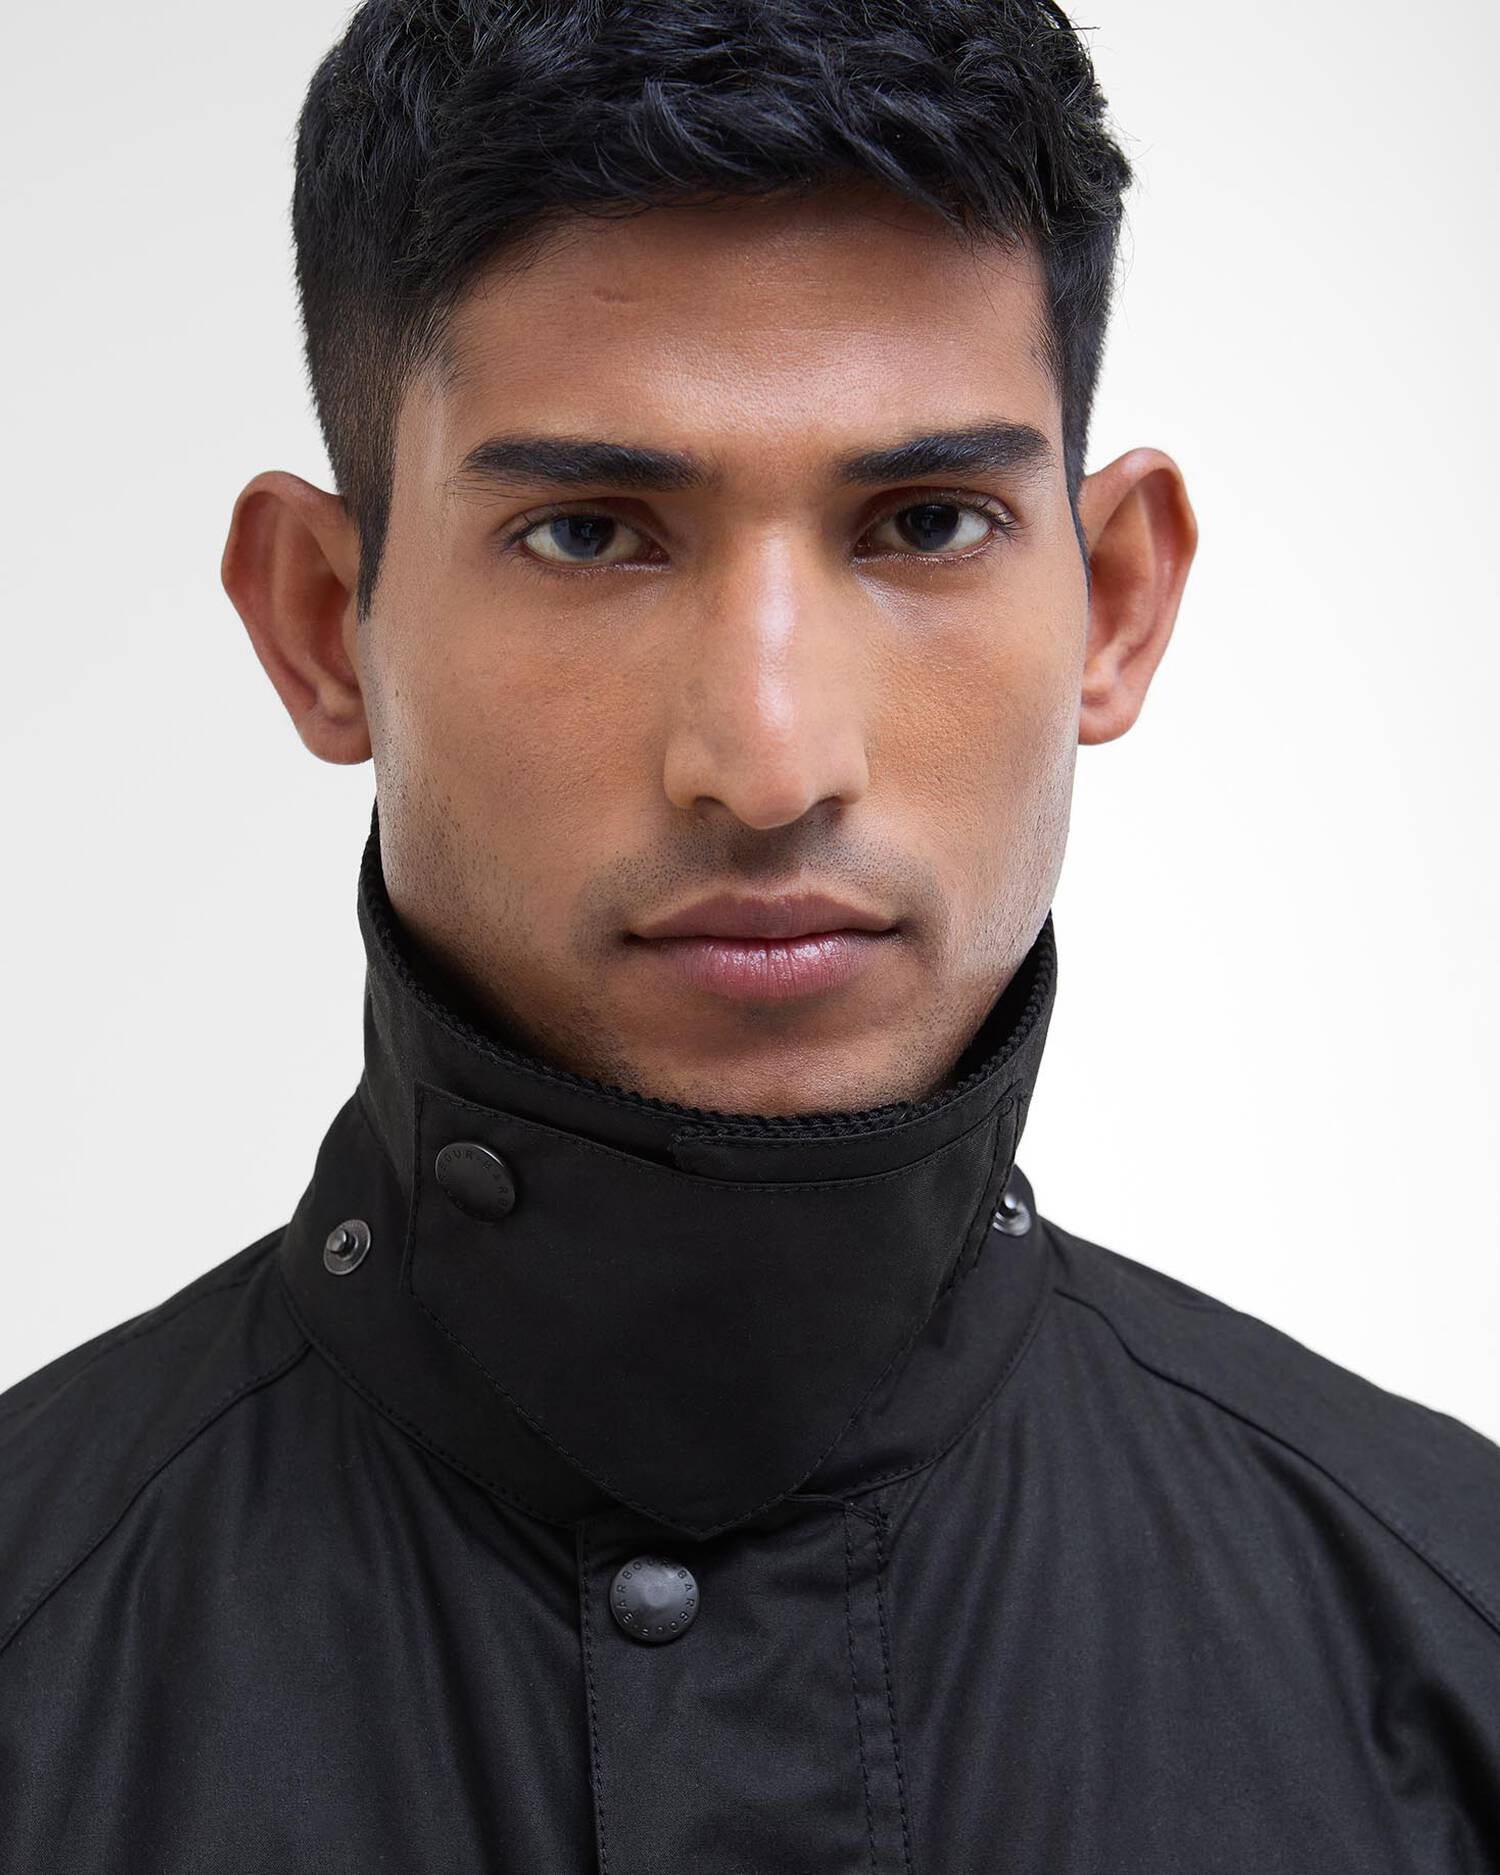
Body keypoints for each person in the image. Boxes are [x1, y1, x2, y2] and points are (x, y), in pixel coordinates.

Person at [2, 0, 1496, 1866]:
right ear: (323, 625)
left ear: (1114, 604)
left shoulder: (1458, 1658)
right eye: (588, 534)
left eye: (926, 522)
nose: (773, 764)